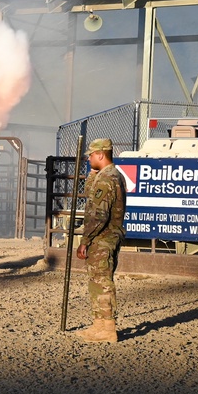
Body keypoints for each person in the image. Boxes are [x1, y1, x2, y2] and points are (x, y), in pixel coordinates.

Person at [76, 138, 126, 343]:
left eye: (91, 155)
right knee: (96, 282)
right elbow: (90, 195)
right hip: (106, 236)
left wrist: (85, 240)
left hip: (102, 237)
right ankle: (99, 325)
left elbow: (99, 215)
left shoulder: (107, 179)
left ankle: (107, 328)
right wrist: (92, 174)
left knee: (102, 282)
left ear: (101, 155)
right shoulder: (109, 175)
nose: (88, 159)